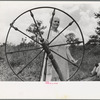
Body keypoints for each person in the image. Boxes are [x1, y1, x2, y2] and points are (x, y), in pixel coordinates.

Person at [41, 17, 77, 81]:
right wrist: (45, 44)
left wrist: (71, 58)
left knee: (63, 76)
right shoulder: (47, 33)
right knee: (51, 76)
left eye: (58, 22)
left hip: (62, 60)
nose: (57, 23)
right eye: (55, 21)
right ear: (51, 22)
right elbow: (42, 45)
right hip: (51, 59)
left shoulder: (61, 34)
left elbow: (66, 48)